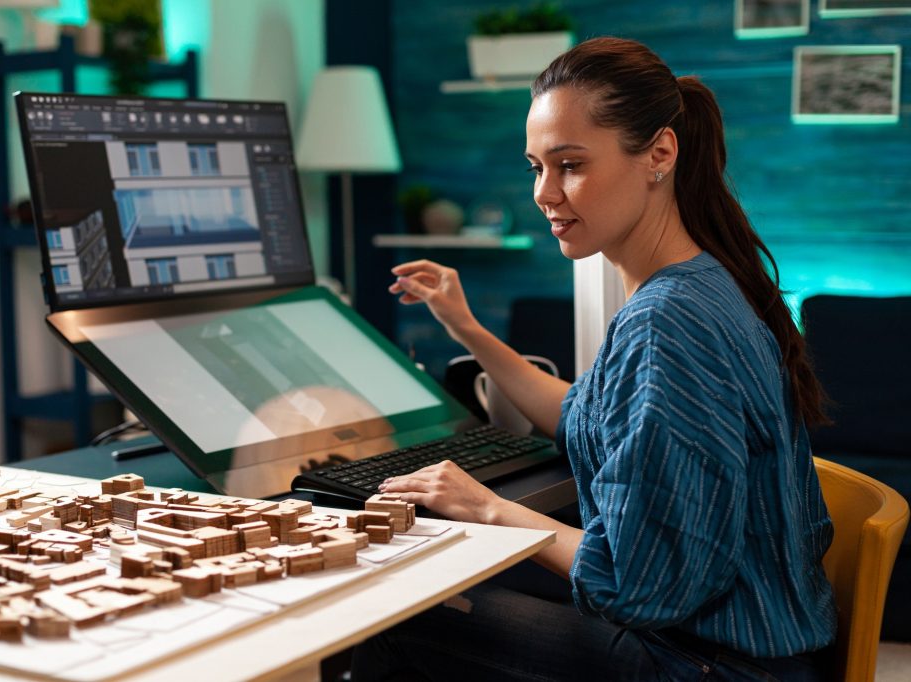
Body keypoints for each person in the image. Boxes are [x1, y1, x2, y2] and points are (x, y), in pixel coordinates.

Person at [350, 37, 836, 681]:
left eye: (570, 164)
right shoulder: (698, 284)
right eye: (535, 168)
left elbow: (633, 584)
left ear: (660, 154)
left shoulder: (667, 322)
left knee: (391, 607)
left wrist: (488, 506)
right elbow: (580, 412)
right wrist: (465, 326)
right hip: (737, 646)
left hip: (709, 663)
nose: (545, 193)